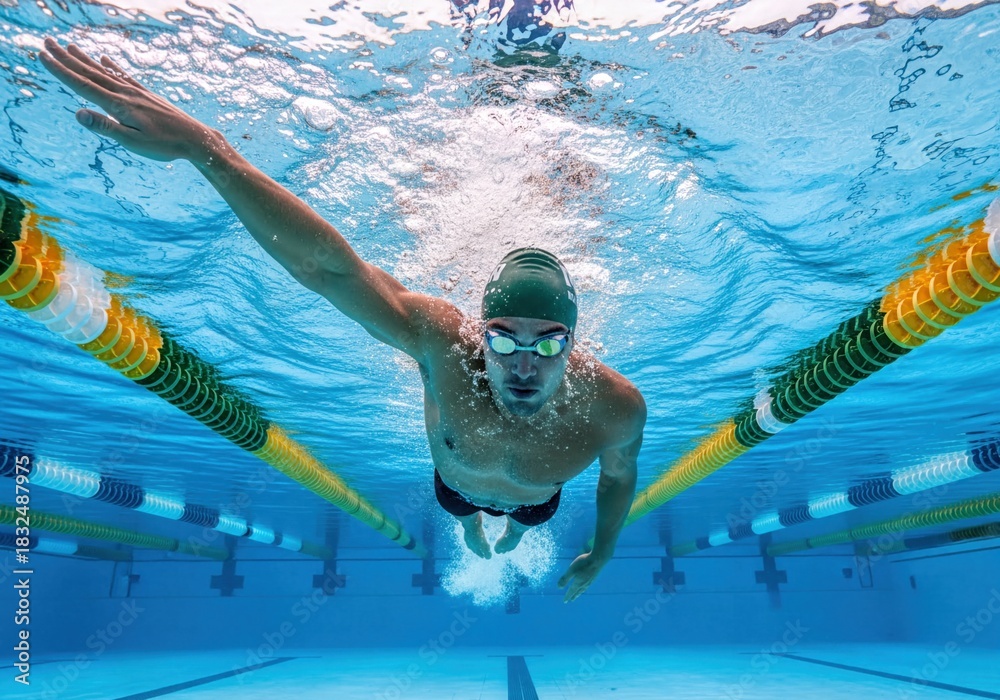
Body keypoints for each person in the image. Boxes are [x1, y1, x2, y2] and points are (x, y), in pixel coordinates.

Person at [38, 38, 646, 602]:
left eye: (547, 345)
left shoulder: (615, 406)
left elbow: (617, 481)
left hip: (537, 500)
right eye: (502, 337)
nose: (521, 362)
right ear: (479, 335)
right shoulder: (442, 344)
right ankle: (473, 534)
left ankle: (509, 536)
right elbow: (330, 269)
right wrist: (207, 149)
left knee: (517, 524)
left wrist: (604, 552)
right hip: (454, 484)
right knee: (466, 518)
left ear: (574, 344)